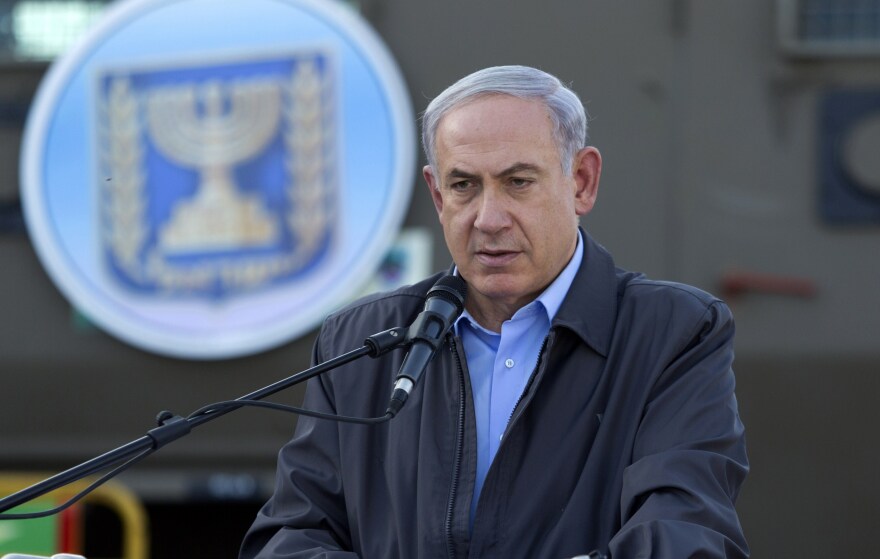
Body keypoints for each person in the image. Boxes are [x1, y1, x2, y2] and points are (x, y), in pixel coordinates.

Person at [240, 65, 749, 558]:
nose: (488, 219)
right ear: (438, 195)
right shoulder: (360, 342)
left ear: (582, 182)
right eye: (464, 186)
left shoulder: (675, 333)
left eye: (518, 182)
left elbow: (685, 536)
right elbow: (290, 538)